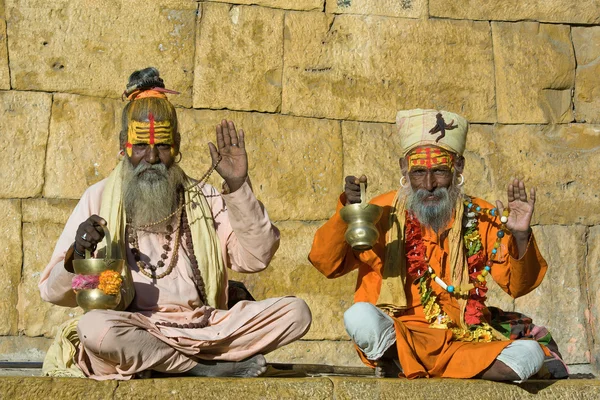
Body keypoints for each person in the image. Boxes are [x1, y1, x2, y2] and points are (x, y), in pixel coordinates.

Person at [39, 67, 311, 380]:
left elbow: (257, 257)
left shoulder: (203, 196)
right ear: (123, 145)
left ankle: (161, 363)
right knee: (95, 329)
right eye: (141, 146)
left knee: (297, 313)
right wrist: (79, 252)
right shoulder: (99, 196)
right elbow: (52, 292)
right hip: (135, 327)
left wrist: (238, 186)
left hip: (206, 328)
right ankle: (203, 368)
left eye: (163, 146)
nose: (151, 158)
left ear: (177, 146)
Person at [309, 108, 560, 382]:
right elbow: (327, 264)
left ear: (459, 167)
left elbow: (518, 286)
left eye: (440, 171)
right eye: (418, 173)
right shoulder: (380, 212)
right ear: (404, 169)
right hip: (399, 334)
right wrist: (349, 210)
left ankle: (406, 364)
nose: (429, 185)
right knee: (360, 317)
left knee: (529, 355)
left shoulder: (481, 216)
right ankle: (419, 360)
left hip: (463, 339)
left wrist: (521, 236)